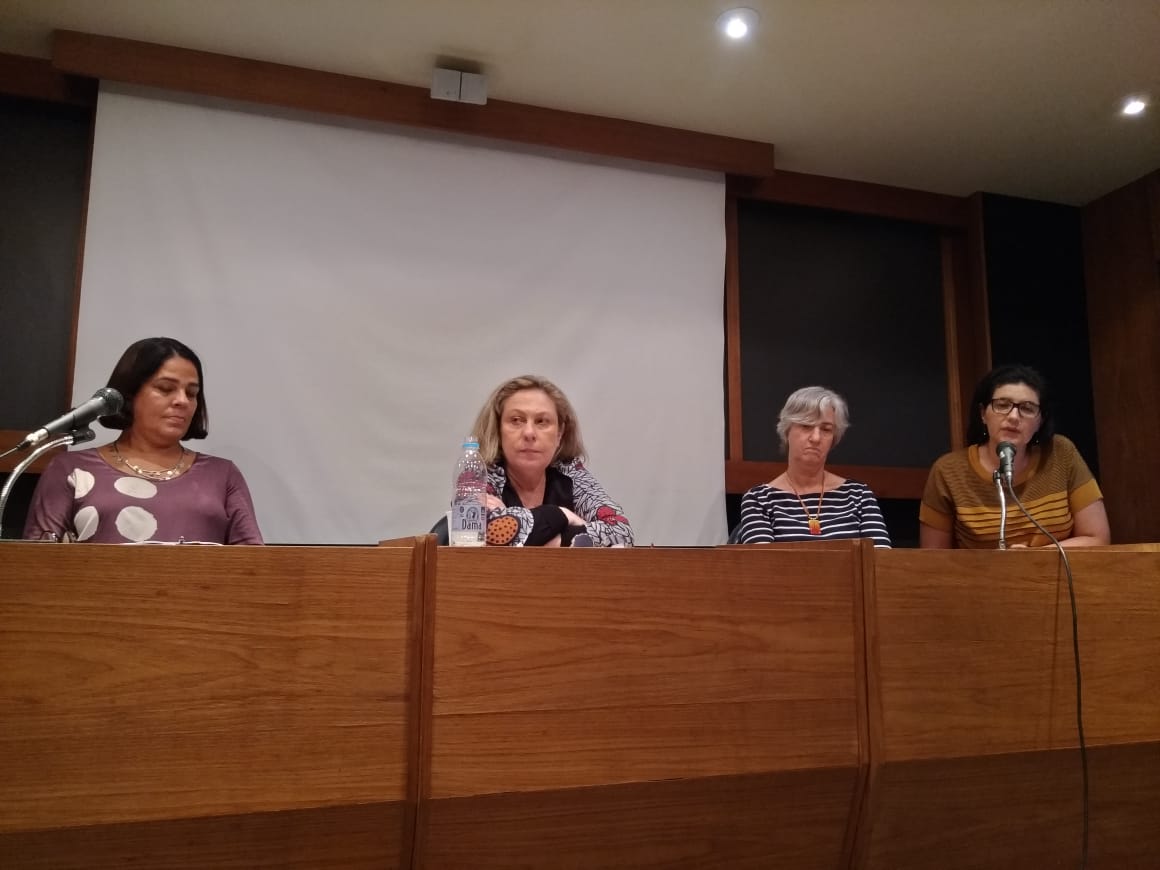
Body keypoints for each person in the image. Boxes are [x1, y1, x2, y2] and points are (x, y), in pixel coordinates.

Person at [24, 337, 263, 544]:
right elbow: (35, 561)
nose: (182, 401)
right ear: (128, 395)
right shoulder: (71, 469)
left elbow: (255, 566)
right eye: (166, 388)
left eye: (191, 393)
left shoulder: (222, 475)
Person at [920, 363, 1109, 549]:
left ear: (1040, 421)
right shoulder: (948, 471)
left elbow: (1096, 538)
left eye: (1027, 408)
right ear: (983, 414)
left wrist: (1034, 558)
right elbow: (933, 559)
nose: (1013, 417)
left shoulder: (1061, 453)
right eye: (1002, 405)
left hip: (1055, 569)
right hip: (980, 571)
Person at [469, 375, 632, 547]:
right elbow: (477, 530)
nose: (529, 433)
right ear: (498, 430)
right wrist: (563, 515)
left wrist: (553, 540)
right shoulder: (479, 475)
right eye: (516, 420)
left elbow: (621, 533)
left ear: (560, 433)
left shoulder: (570, 473)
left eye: (542, 421)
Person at [736, 386, 891, 547]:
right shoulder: (759, 500)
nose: (816, 438)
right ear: (787, 431)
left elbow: (881, 559)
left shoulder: (858, 495)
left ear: (834, 438)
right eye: (806, 426)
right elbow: (762, 561)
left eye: (826, 429)